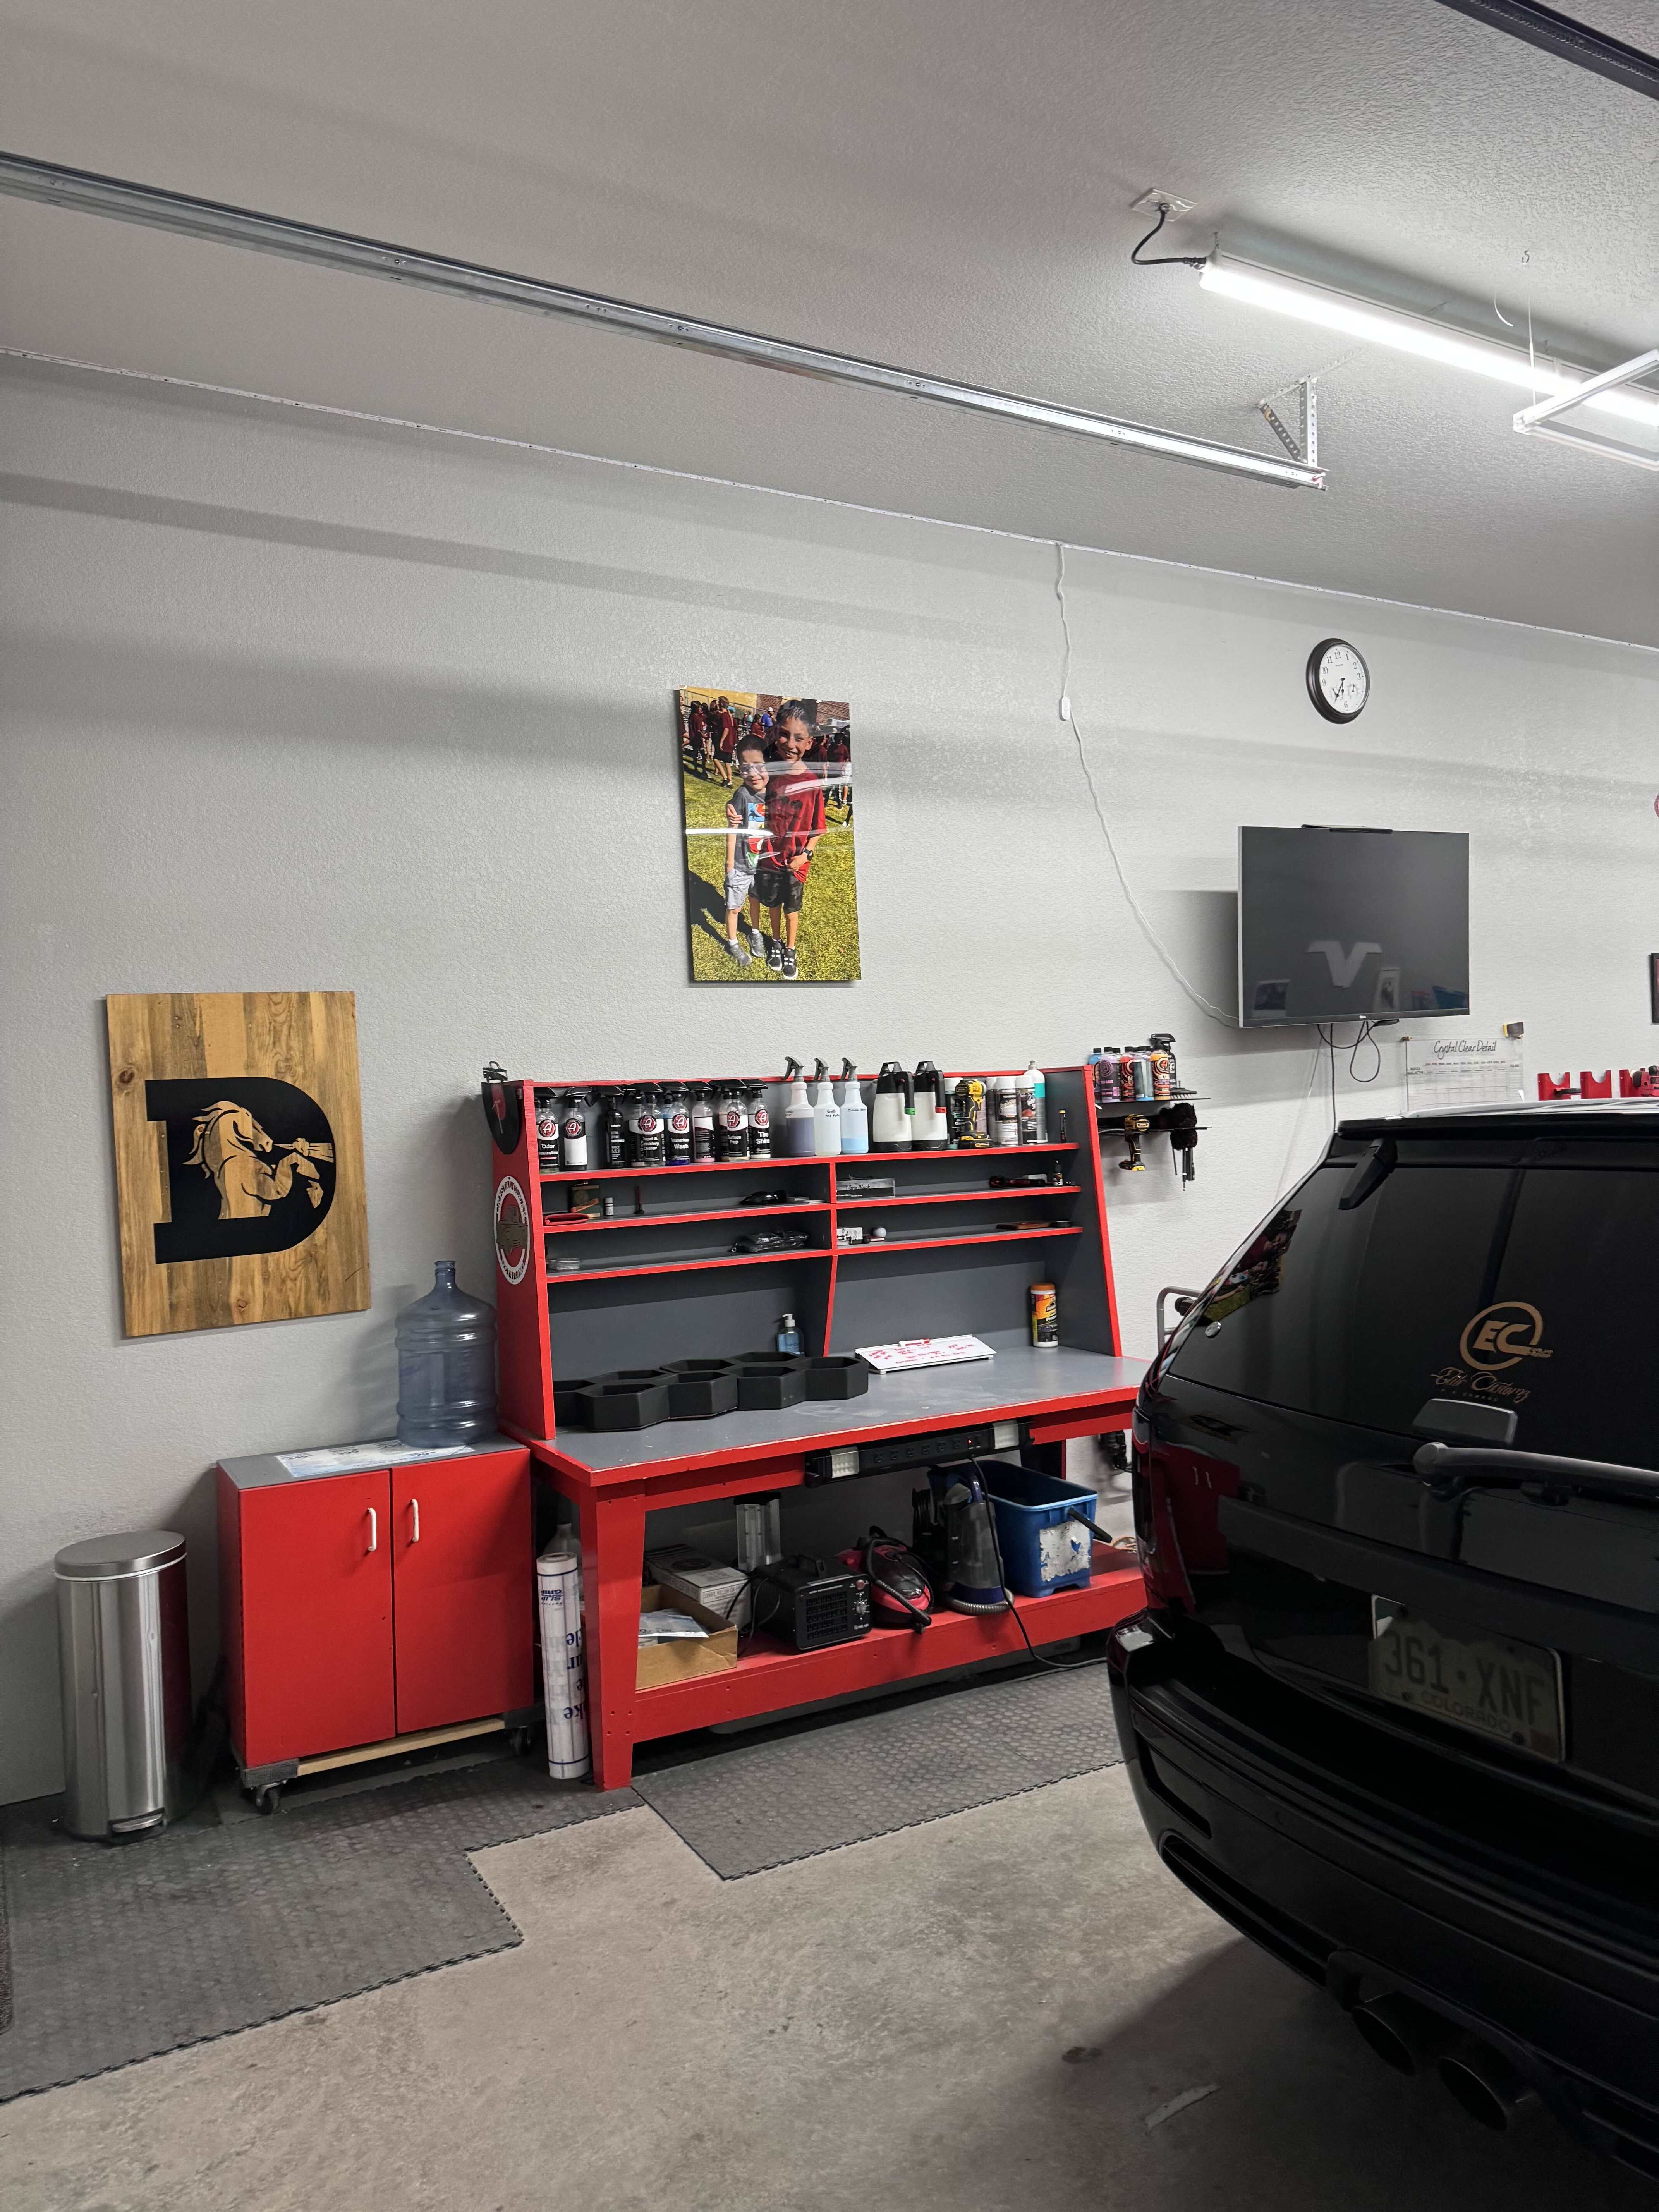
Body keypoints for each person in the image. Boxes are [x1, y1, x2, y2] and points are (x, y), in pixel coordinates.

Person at [752, 700, 826, 980]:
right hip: (769, 859)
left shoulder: (812, 783)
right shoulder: (769, 775)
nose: (790, 743)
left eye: (799, 738)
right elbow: (755, 809)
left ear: (809, 743)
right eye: (784, 734)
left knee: (791, 911)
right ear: (774, 734)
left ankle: (791, 949)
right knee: (772, 905)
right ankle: (776, 943)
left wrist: (804, 856)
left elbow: (818, 828)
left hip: (796, 863)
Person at [719, 741, 771, 968]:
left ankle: (755, 933)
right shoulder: (742, 794)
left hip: (764, 864)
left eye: (758, 765)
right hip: (741, 864)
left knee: (756, 900)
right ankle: (732, 943)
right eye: (745, 767)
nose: (753, 773)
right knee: (734, 907)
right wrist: (730, 863)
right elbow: (733, 827)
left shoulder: (776, 792)